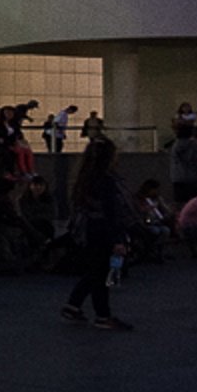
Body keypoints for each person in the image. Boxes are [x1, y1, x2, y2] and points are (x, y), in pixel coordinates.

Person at [56, 136, 135, 331]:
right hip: (104, 231)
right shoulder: (107, 181)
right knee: (101, 275)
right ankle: (102, 315)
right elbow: (112, 212)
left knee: (95, 271)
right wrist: (118, 239)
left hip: (89, 229)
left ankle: (74, 305)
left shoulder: (85, 178)